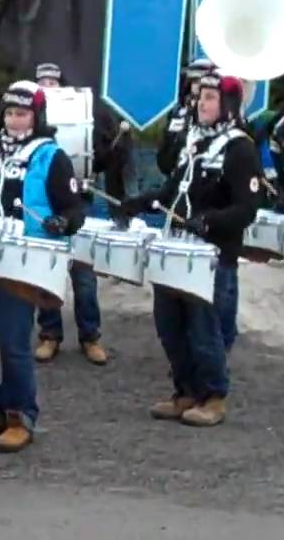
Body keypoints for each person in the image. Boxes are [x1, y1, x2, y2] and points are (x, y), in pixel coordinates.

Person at [0, 80, 85, 453]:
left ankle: (20, 414)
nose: (14, 120)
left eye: (22, 114)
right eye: (9, 113)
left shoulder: (51, 156)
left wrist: (62, 223)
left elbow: (76, 209)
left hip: (19, 259)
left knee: (12, 340)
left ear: (36, 117)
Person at [117, 71, 260, 426]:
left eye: (210, 98)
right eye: (200, 98)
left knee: (203, 327)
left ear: (228, 104)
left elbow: (247, 208)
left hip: (211, 256)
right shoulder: (193, 141)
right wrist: (137, 202)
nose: (201, 104)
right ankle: (184, 391)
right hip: (175, 248)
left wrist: (209, 221)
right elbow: (171, 192)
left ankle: (212, 396)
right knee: (169, 324)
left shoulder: (240, 148)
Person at [32, 63, 128, 365]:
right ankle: (49, 334)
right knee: (46, 271)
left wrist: (114, 149)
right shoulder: (31, 125)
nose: (48, 85)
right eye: (42, 81)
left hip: (79, 200)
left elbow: (96, 158)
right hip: (44, 202)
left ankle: (90, 336)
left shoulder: (82, 117)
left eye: (53, 80)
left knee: (83, 275)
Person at [157, 58, 216, 175]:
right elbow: (163, 158)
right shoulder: (178, 114)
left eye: (201, 81)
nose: (197, 86)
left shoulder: (217, 114)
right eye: (194, 81)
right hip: (176, 179)